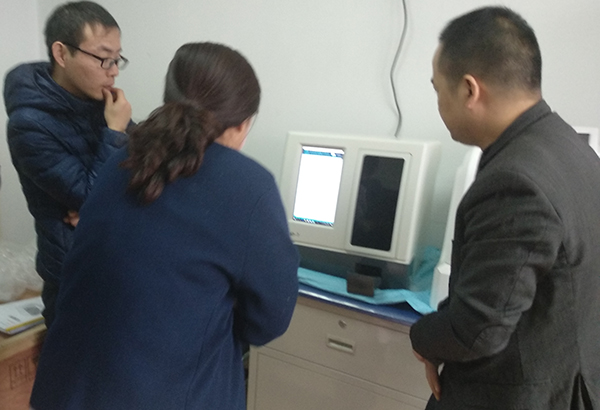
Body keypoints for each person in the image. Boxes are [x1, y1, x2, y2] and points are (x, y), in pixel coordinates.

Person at [29, 42, 300, 410]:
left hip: (65, 388)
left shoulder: (119, 160)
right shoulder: (248, 186)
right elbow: (268, 322)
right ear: (243, 124)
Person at [410, 6, 600, 410]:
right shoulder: (571, 148)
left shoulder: (515, 182)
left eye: (437, 89)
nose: (438, 102)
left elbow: (479, 329)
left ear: (469, 90)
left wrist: (422, 338)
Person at [3, 1, 131, 327]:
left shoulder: (98, 100)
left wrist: (108, 207)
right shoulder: (28, 125)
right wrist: (115, 132)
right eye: (103, 58)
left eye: (117, 58)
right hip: (76, 274)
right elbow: (91, 197)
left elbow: (144, 166)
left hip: (116, 259)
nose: (113, 70)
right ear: (61, 53)